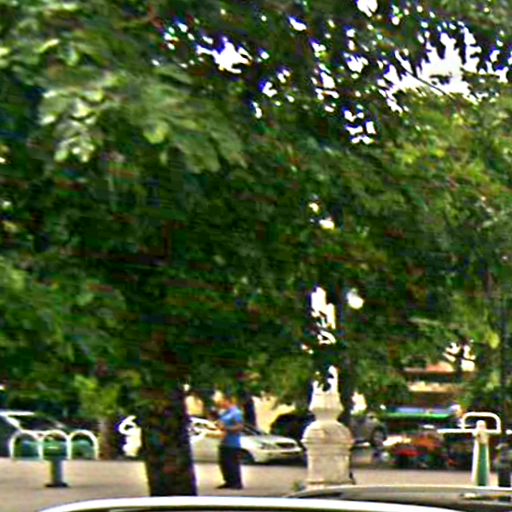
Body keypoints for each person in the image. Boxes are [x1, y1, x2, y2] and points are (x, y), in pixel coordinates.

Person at [215, 393, 244, 489]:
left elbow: (240, 427)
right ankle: (228, 481)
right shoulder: (225, 413)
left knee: (232, 464)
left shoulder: (236, 413)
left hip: (233, 443)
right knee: (224, 463)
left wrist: (226, 428)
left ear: (228, 401)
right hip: (224, 441)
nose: (221, 403)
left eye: (222, 401)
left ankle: (236, 483)